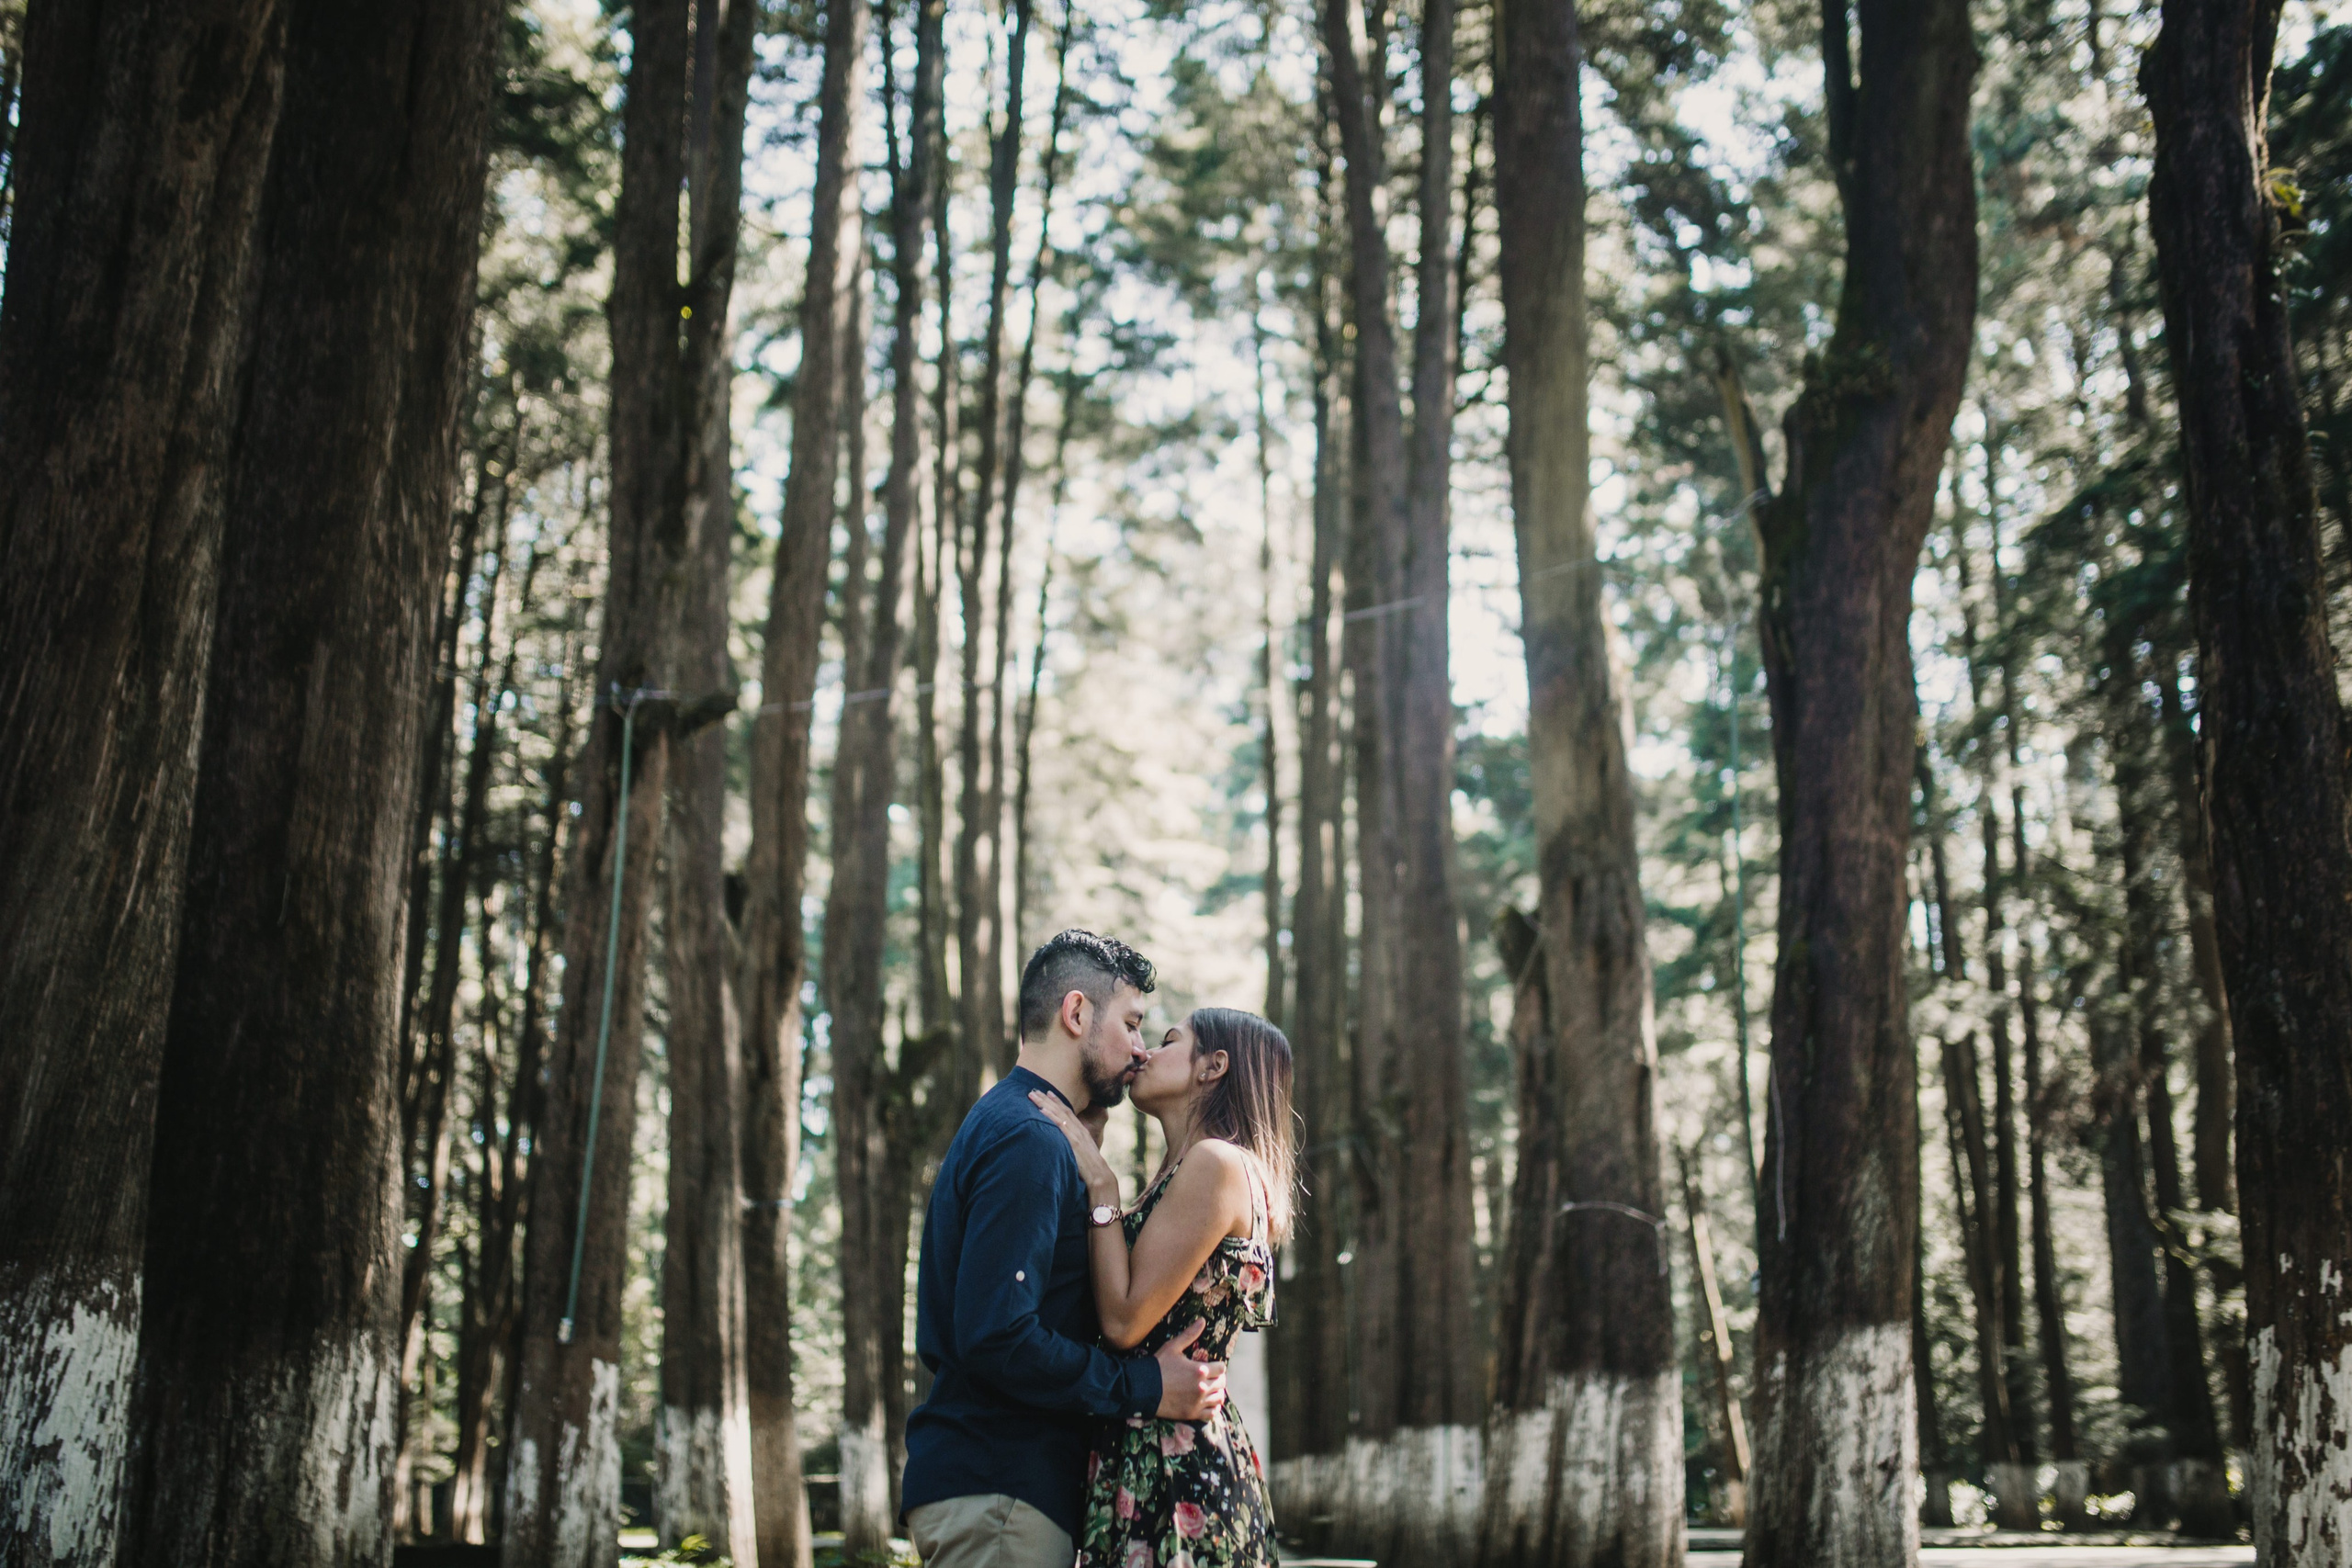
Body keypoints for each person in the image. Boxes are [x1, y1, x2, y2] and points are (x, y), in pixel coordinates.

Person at [903, 931, 1231, 1568]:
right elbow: (998, 1336)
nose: (1140, 1049)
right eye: (1133, 1025)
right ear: (1077, 1014)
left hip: (1003, 1492)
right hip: (998, 1492)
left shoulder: (1029, 1127)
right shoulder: (1028, 1136)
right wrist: (1145, 1385)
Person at [1027, 1007, 1295, 1568]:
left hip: (1177, 1468)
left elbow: (1124, 1324)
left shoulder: (1215, 1163)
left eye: (1171, 1040)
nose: (1145, 1050)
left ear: (1212, 1066)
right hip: (1151, 1451)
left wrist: (1101, 1186)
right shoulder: (1184, 1173)